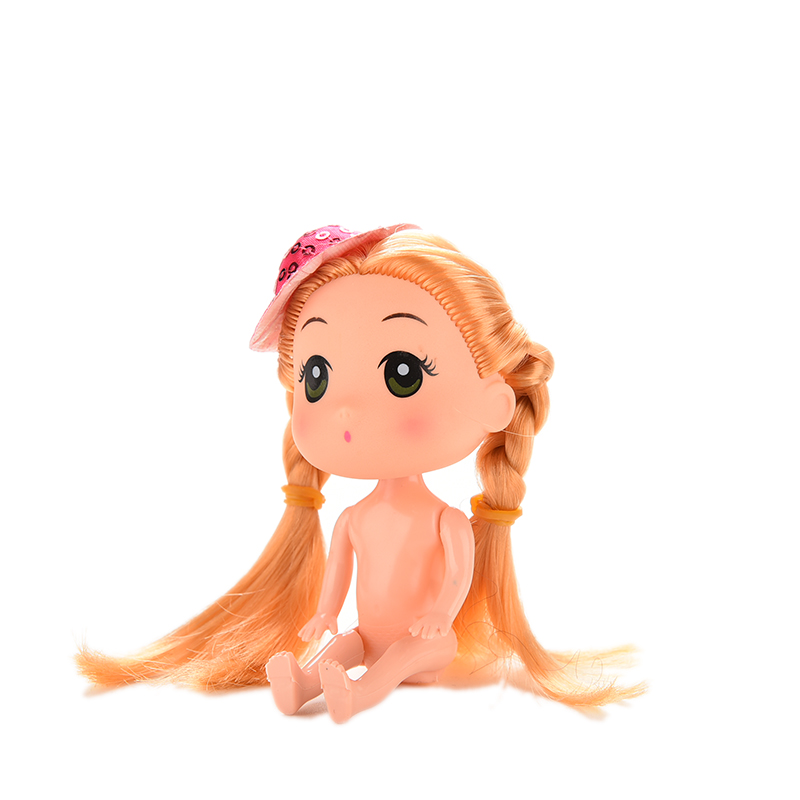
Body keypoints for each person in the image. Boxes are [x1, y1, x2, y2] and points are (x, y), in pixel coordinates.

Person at [77, 224, 643, 721]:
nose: (345, 407)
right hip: (366, 633)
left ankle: (361, 692)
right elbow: (340, 573)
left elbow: (456, 576)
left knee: (393, 661)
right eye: (317, 376)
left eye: (403, 373)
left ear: (496, 403)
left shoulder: (446, 520)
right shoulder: (352, 517)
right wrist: (326, 612)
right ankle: (303, 684)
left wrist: (439, 615)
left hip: (429, 644)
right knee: (342, 647)